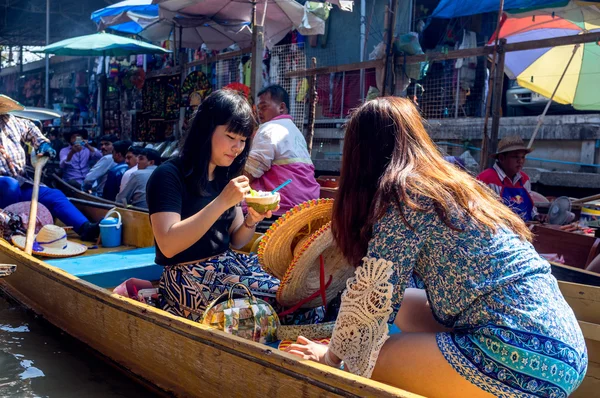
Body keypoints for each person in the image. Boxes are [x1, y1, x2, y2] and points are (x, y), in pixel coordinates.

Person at [286, 98, 587, 398]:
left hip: (516, 357)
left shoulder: (403, 195)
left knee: (360, 361)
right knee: (400, 304)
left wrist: (330, 357)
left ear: (359, 154)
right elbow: (388, 298)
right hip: (567, 351)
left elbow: (370, 296)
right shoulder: (455, 184)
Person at [147, 90, 295, 322]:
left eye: (243, 140)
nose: (237, 147)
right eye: (230, 136)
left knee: (295, 285)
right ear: (206, 130)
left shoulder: (225, 177)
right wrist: (221, 202)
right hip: (186, 276)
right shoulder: (168, 175)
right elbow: (167, 245)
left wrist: (251, 220)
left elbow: (237, 240)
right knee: (281, 301)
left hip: (228, 265)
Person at [0, 95, 99, 240]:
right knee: (9, 185)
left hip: (20, 183)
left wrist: (42, 144)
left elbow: (30, 129)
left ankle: (84, 228)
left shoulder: (9, 121)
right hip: (4, 188)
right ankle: (12, 230)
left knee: (54, 195)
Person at [244, 85, 320, 222]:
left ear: (281, 108)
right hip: (308, 205)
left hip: (281, 209)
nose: (259, 113)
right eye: (258, 109)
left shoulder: (269, 128)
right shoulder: (295, 131)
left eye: (264, 107)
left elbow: (252, 171)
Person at [477, 136, 544, 223]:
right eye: (515, 157)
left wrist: (536, 216)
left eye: (523, 157)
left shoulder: (524, 179)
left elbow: (530, 208)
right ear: (502, 158)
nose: (520, 161)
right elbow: (479, 211)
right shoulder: (485, 179)